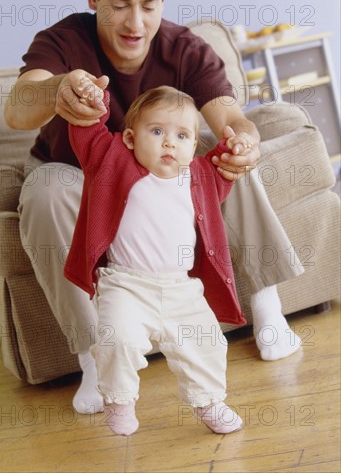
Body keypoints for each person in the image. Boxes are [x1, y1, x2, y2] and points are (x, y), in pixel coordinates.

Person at [4, 0, 304, 415]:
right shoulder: (62, 40)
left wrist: (244, 139)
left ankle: (268, 309)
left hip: (162, 182)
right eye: (119, 4)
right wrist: (57, 89)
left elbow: (229, 116)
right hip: (77, 177)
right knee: (45, 189)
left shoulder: (185, 49)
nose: (135, 22)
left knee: (224, 150)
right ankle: (94, 358)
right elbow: (18, 109)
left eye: (149, 4)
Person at [64, 85, 247, 435]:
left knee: (206, 343)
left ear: (194, 146)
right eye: (157, 131)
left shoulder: (200, 176)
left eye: (181, 135)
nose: (169, 143)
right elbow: (89, 135)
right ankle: (118, 400)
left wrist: (233, 148)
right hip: (126, 284)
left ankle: (209, 402)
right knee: (117, 339)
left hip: (182, 288)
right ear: (131, 138)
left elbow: (227, 168)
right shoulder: (113, 162)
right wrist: (93, 102)